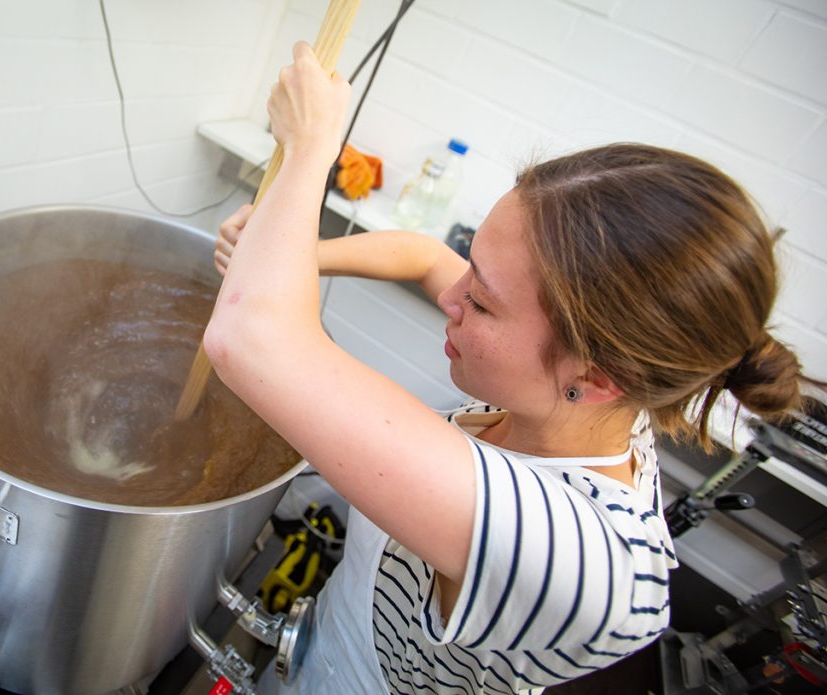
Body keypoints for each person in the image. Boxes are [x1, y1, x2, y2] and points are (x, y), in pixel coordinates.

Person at [203, 42, 819, 694]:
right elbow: (421, 255)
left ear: (599, 375)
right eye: (473, 266)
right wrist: (295, 252)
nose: (451, 295)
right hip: (331, 634)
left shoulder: (585, 564)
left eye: (483, 300)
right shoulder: (596, 412)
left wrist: (309, 148)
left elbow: (249, 339)